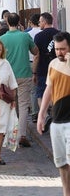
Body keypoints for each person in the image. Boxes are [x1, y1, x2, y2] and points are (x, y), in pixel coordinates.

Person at [37, 31, 70, 196]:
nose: (59, 53)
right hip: (57, 120)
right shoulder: (53, 64)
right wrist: (42, 114)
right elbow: (48, 90)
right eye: (57, 49)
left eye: (63, 49)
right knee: (61, 163)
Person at [0, 12, 38, 147]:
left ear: (8, 23)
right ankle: (22, 134)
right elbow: (35, 52)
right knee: (23, 105)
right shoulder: (25, 36)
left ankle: (10, 133)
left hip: (8, 76)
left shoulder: (2, 39)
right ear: (19, 22)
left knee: (10, 105)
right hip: (24, 74)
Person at [32, 12, 59, 126]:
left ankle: (46, 116)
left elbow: (37, 55)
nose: (39, 24)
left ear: (44, 21)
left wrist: (34, 72)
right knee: (56, 93)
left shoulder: (39, 36)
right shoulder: (60, 34)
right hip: (58, 68)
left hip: (43, 68)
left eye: (40, 21)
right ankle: (55, 117)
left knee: (40, 94)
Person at [26, 14, 41, 122]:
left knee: (34, 90)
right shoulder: (42, 32)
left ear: (31, 22)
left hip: (31, 62)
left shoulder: (28, 34)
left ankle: (35, 112)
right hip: (46, 62)